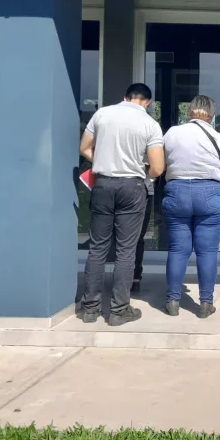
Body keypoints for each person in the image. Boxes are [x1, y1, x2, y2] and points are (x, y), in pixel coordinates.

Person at [79, 83, 164, 326]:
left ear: (125, 97)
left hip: (103, 184)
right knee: (126, 249)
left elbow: (84, 148)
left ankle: (90, 309)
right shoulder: (150, 124)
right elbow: (158, 168)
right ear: (147, 102)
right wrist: (142, 173)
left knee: (97, 247)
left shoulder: (102, 114)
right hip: (132, 186)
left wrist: (103, 160)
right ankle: (118, 310)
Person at [161, 95, 220, 318]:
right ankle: (206, 303)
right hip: (209, 193)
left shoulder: (172, 133)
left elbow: (158, 162)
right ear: (211, 116)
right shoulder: (217, 137)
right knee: (207, 251)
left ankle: (173, 301)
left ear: (190, 112)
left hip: (177, 191)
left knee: (178, 249)